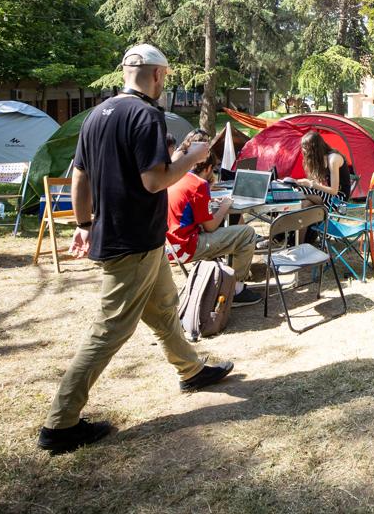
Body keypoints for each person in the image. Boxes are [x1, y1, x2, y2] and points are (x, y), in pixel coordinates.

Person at [37, 44, 233, 455]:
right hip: (133, 241)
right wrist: (195, 155)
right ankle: (61, 424)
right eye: (166, 78)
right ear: (158, 75)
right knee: (110, 328)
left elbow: (79, 176)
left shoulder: (97, 114)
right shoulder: (146, 114)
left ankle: (191, 370)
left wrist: (83, 224)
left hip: (126, 236)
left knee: (164, 308)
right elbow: (154, 181)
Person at [165, 130, 262, 306]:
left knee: (232, 232)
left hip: (170, 246)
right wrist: (224, 207)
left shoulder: (179, 177)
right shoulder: (199, 184)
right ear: (209, 168)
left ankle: (223, 278)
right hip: (187, 247)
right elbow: (210, 227)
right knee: (247, 233)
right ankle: (236, 290)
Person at [290, 130, 353, 211]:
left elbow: (334, 191)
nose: (303, 150)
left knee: (299, 191)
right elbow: (320, 184)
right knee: (304, 203)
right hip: (326, 195)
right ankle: (313, 222)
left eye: (305, 148)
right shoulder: (319, 160)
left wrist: (311, 184)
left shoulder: (333, 159)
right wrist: (302, 182)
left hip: (338, 199)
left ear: (314, 148)